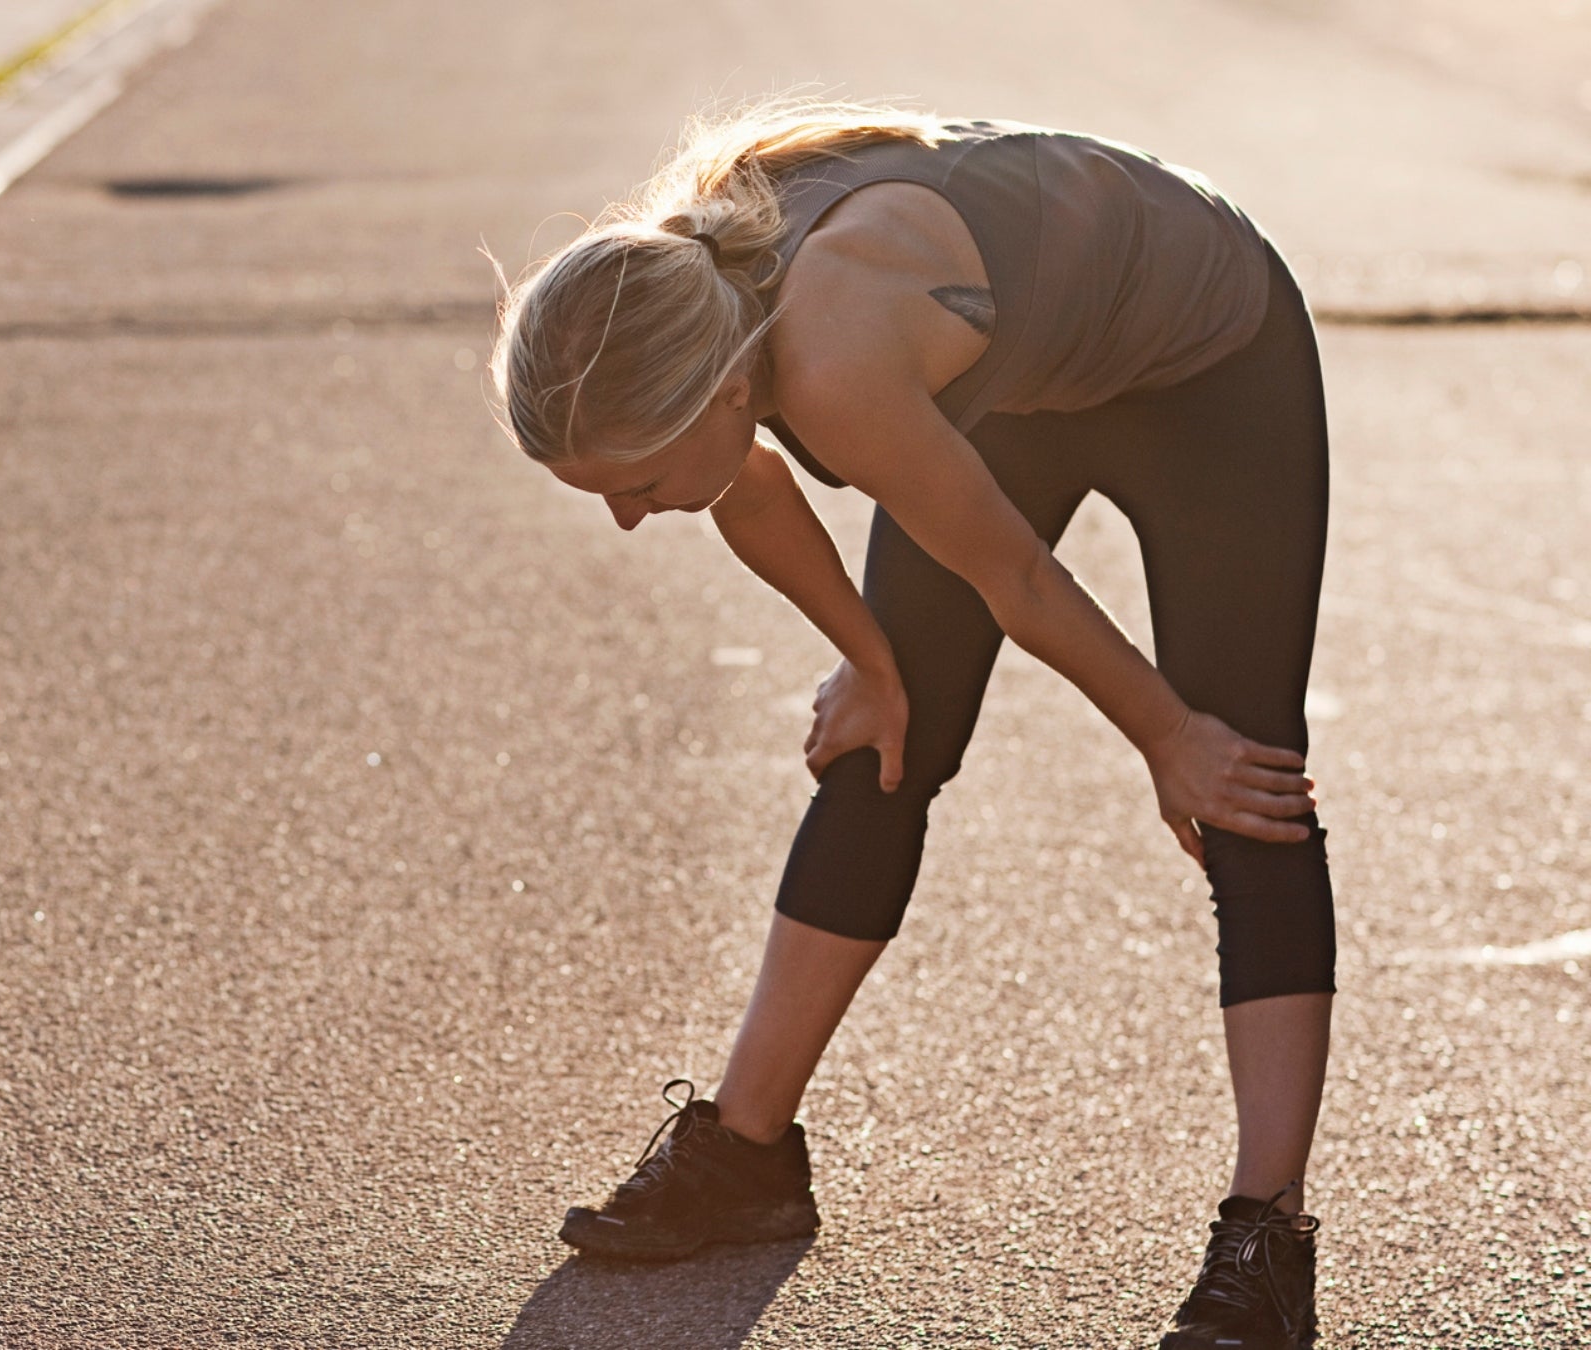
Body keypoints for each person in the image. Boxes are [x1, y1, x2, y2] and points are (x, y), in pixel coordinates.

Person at [487, 100, 1336, 1350]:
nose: (628, 520)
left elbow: (1024, 586)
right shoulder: (696, 305)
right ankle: (749, 1155)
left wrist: (1167, 736)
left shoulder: (832, 360)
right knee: (880, 745)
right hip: (1014, 372)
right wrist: (871, 662)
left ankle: (1270, 1234)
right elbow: (750, 486)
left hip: (1205, 359)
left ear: (727, 391)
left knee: (1238, 769)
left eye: (638, 487)